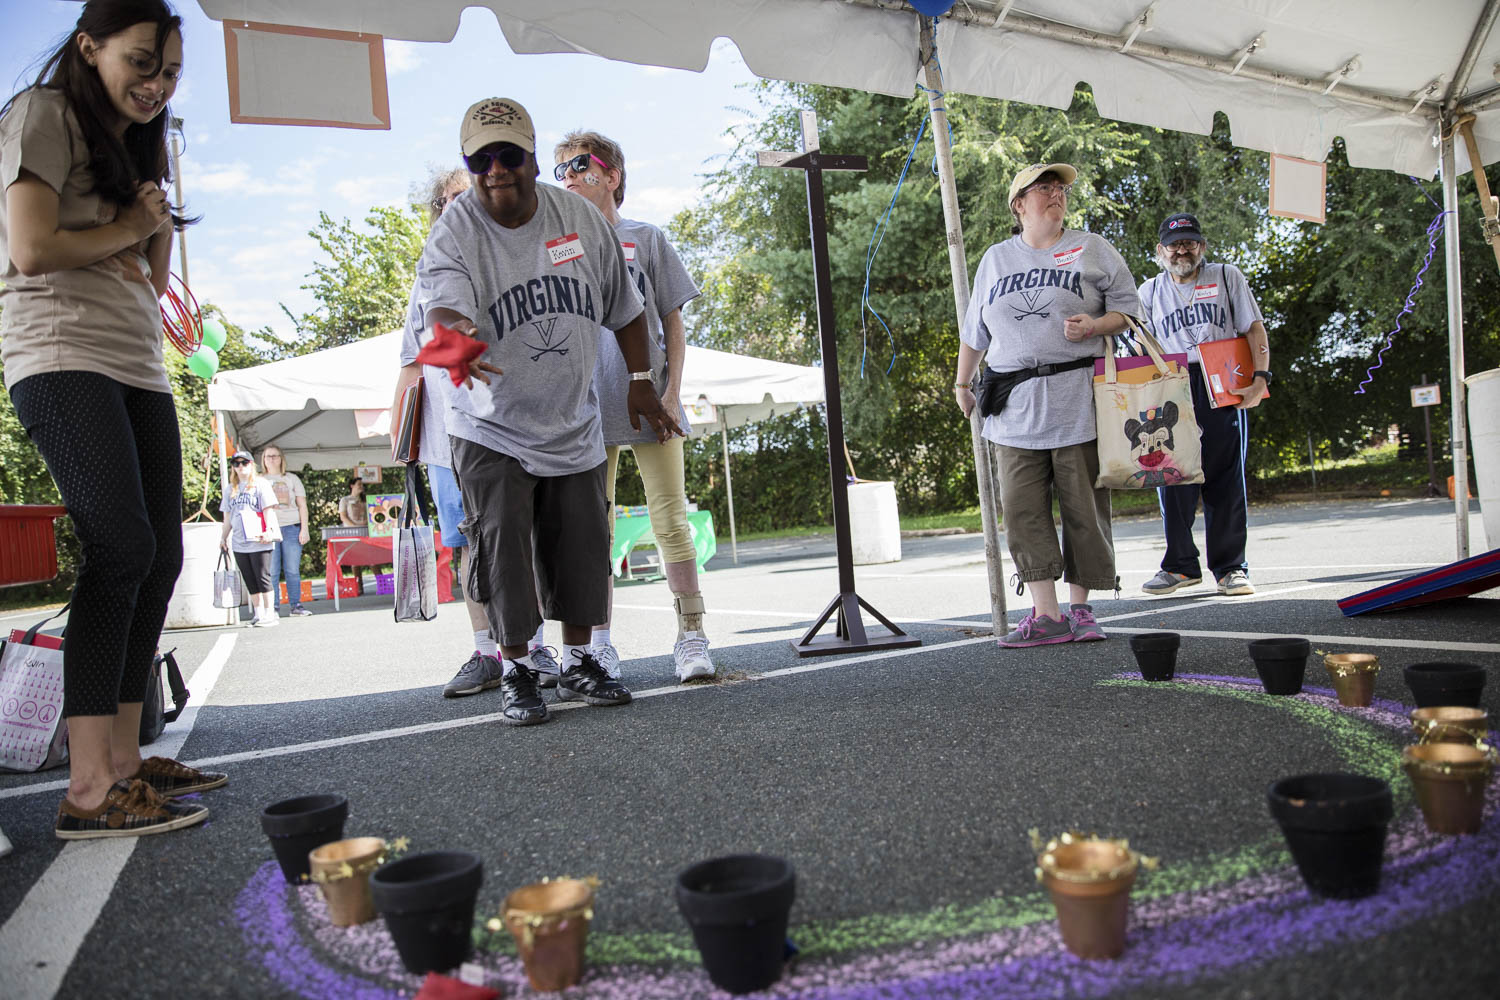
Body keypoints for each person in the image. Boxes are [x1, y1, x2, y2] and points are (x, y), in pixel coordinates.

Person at [1, 0, 223, 839]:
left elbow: (149, 275)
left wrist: (151, 221)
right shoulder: (43, 113)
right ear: (90, 46)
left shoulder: (137, 138)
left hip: (135, 361)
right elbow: (29, 247)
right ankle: (88, 789)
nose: (156, 84)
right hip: (60, 353)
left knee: (160, 555)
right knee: (120, 544)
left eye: (169, 72)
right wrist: (131, 222)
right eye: (141, 62)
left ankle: (128, 765)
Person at [417, 96, 681, 726]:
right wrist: (457, 345)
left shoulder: (579, 221)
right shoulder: (455, 229)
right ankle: (519, 669)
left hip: (571, 415)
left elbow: (627, 307)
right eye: (481, 158)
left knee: (582, 541)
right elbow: (442, 315)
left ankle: (584, 661)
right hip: (489, 421)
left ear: (533, 159)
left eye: (509, 155)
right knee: (503, 541)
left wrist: (641, 381)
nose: (495, 169)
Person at [393, 166, 567, 697]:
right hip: (450, 441)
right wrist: (403, 443)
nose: (457, 208)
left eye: (463, 198)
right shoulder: (429, 280)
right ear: (437, 213)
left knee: (520, 537)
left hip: (513, 431)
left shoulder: (507, 262)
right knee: (471, 546)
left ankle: (535, 647)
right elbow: (411, 365)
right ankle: (486, 652)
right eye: (446, 202)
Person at [954, 162, 1140, 647]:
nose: (1055, 193)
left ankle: (1081, 610)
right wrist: (961, 384)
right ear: (1019, 205)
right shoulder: (995, 259)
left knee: (1085, 508)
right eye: (1044, 188)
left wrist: (1096, 327)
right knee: (1021, 510)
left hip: (1079, 400)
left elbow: (1130, 310)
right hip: (1012, 410)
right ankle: (1046, 614)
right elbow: (975, 331)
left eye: (1059, 188)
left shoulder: (1093, 248)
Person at [553, 130, 715, 683]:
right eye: (561, 170)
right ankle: (599, 645)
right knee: (590, 530)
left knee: (671, 520)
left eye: (578, 165)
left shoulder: (647, 237)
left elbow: (672, 318)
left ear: (613, 174)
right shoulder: (560, 246)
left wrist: (671, 392)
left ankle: (692, 636)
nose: (568, 176)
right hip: (587, 409)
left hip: (651, 402)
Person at [1137, 213, 1270, 597]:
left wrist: (1261, 378)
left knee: (1225, 475)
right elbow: (1143, 346)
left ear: (1202, 247)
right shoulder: (1148, 292)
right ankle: (1180, 567)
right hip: (1172, 384)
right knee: (1170, 477)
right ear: (1160, 251)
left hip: (1221, 378)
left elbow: (1254, 328)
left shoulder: (1227, 276)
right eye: (1175, 244)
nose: (1183, 250)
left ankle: (1231, 568)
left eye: (1190, 242)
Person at [219, 450, 280, 626]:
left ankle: (270, 612)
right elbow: (228, 517)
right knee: (249, 578)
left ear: (251, 464)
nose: (240, 467)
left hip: (259, 538)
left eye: (244, 463)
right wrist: (223, 537)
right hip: (239, 541)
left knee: (263, 576)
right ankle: (258, 612)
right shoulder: (231, 488)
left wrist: (268, 530)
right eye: (236, 464)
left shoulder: (261, 484)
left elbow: (268, 508)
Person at [259, 443, 311, 616]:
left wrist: (305, 529)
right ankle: (272, 607)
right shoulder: (259, 480)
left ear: (281, 459)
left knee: (292, 570)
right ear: (263, 460)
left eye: (275, 455)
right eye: (268, 456)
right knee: (271, 571)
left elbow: (302, 505)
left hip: (291, 527)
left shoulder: (292, 478)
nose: (272, 459)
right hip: (270, 529)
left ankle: (296, 605)